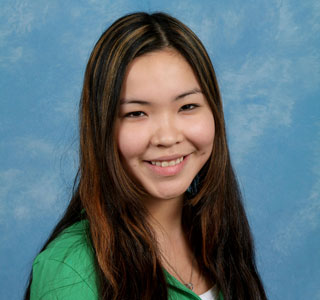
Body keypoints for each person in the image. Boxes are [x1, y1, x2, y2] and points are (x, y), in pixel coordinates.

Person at [24, 12, 267, 300]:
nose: (166, 137)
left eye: (187, 106)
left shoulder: (217, 238)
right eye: (136, 113)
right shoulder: (71, 271)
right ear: (102, 129)